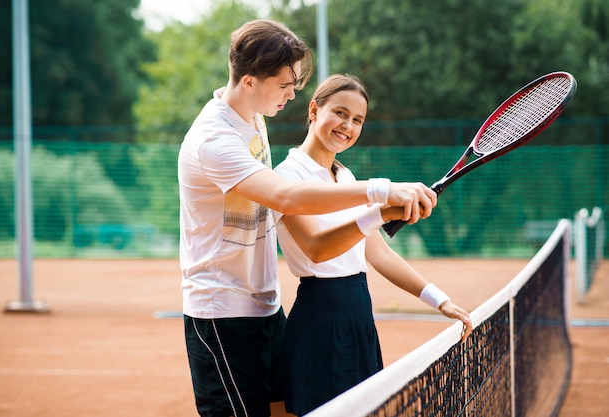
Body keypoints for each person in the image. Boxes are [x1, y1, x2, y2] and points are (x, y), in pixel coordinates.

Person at [178, 20, 438, 417]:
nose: (292, 93)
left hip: (265, 306)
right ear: (250, 82)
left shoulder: (252, 119)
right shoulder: (214, 139)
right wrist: (381, 192)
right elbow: (286, 196)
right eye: (285, 85)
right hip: (221, 312)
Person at [272, 74, 473, 416]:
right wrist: (378, 212)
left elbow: (378, 252)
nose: (347, 126)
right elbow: (317, 250)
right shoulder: (285, 179)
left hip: (359, 317)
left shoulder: (346, 177)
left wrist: (440, 300)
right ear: (313, 109)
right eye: (340, 113)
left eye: (357, 120)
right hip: (320, 321)